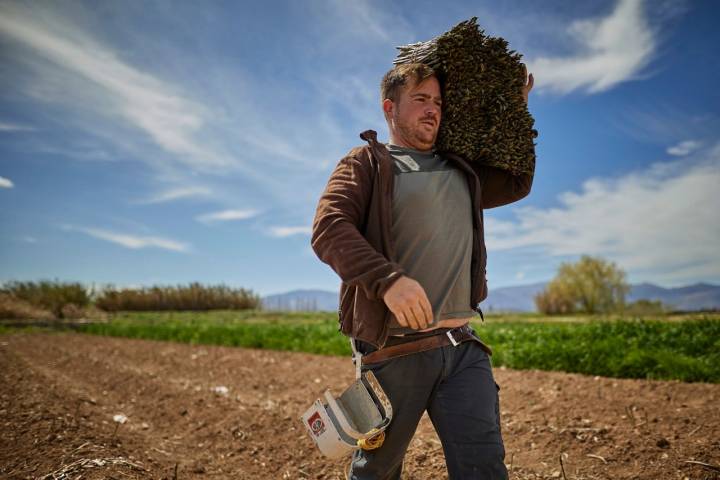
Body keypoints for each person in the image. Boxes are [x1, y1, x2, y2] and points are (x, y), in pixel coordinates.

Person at [311, 62, 534, 479]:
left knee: (484, 468)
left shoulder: (460, 169)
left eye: (437, 102)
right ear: (389, 107)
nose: (432, 109)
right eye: (420, 99)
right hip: (395, 353)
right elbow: (329, 228)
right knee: (378, 471)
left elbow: (517, 181)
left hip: (462, 346)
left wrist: (516, 120)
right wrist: (388, 280)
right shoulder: (369, 163)